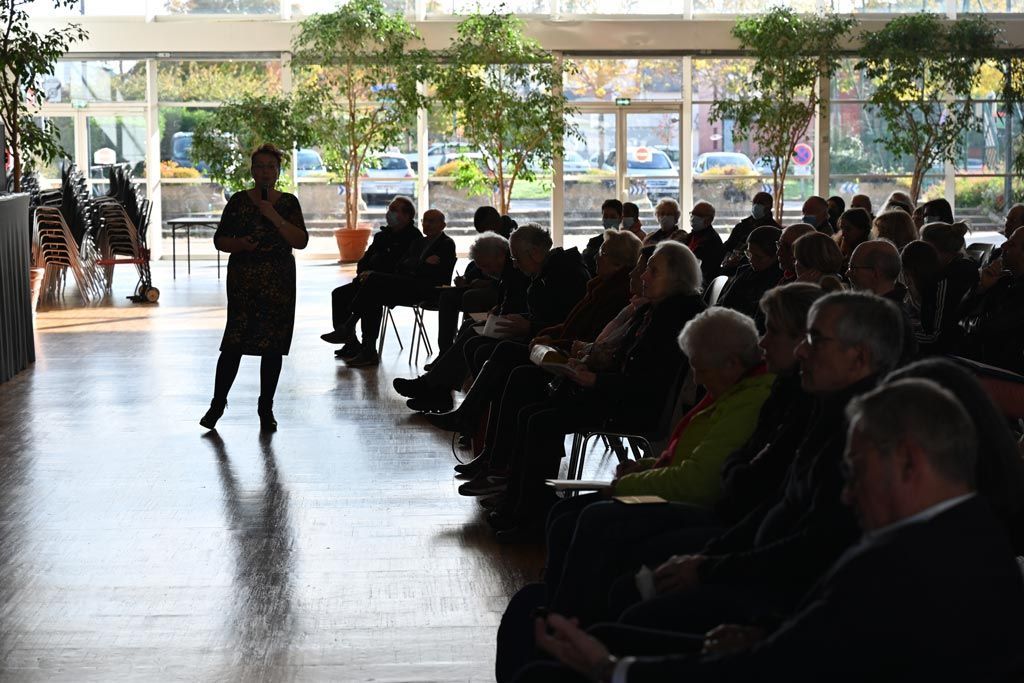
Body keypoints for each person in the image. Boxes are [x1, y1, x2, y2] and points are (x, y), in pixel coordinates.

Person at [525, 380, 1024, 683]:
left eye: (855, 472)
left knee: (545, 660)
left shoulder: (896, 564)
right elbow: (831, 642)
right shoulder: (974, 534)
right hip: (783, 637)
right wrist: (767, 634)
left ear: (910, 463)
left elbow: (774, 668)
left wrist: (610, 668)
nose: (848, 493)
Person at [607, 293, 905, 638]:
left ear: (859, 357)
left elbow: (812, 547)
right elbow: (771, 500)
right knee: (620, 563)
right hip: (753, 557)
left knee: (630, 599)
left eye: (814, 340)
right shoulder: (822, 409)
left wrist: (709, 568)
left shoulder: (862, 434)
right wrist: (708, 559)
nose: (801, 351)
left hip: (779, 594)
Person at [488, 241, 707, 540]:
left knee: (541, 421)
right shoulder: (655, 308)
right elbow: (626, 360)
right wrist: (588, 365)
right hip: (618, 393)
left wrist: (595, 380)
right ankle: (518, 504)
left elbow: (648, 384)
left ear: (677, 277)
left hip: (635, 407)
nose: (643, 276)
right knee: (531, 412)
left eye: (653, 271)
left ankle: (531, 517)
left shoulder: (677, 318)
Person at [423, 230, 640, 439]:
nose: (595, 257)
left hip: (573, 360)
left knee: (501, 354)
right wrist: (537, 329)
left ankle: (476, 424)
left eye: (602, 253)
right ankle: (477, 426)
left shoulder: (574, 276)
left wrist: (536, 330)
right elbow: (567, 323)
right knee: (479, 343)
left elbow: (586, 334)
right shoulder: (593, 284)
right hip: (556, 345)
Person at [393, 223, 589, 413]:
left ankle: (458, 404)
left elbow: (569, 323)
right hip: (538, 335)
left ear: (536, 253)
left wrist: (529, 326)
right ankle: (442, 392)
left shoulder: (565, 275)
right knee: (473, 334)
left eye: (516, 258)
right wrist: (521, 320)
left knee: (479, 344)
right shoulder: (546, 272)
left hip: (549, 342)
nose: (514, 264)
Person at [200, 143, 308, 431]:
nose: (265, 172)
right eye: (259, 166)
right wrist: (240, 244)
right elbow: (220, 240)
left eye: (270, 167)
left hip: (279, 280)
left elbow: (300, 240)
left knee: (273, 346)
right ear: (252, 170)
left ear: (278, 171)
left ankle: (266, 407)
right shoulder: (238, 201)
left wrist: (274, 217)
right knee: (234, 343)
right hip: (244, 280)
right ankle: (217, 404)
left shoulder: (288, 203)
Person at [329, 209, 458, 368]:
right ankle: (368, 348)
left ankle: (350, 327)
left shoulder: (446, 244)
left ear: (443, 225)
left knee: (374, 280)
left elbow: (435, 273)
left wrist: (416, 265)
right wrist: (422, 263)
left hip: (428, 290)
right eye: (425, 221)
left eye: (432, 221)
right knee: (373, 293)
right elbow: (402, 265)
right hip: (410, 284)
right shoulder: (418, 243)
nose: (427, 224)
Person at [323, 195, 421, 359]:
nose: (389, 213)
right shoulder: (382, 236)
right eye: (389, 209)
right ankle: (351, 342)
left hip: (397, 285)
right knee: (339, 294)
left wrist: (374, 272)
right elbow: (364, 260)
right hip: (369, 281)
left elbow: (401, 266)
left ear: (407, 216)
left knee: (373, 293)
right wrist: (363, 273)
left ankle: (368, 348)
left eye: (394, 210)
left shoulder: (414, 238)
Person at [435, 208, 508, 354]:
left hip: (498, 287)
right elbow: (477, 264)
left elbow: (511, 276)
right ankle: (445, 350)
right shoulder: (490, 238)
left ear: (495, 222)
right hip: (482, 285)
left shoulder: (509, 240)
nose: (483, 233)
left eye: (484, 229)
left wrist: (488, 283)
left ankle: (472, 343)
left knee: (471, 296)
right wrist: (466, 278)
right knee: (447, 296)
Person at [957, 225, 1024, 374]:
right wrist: (981, 288)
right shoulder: (1003, 280)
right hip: (985, 363)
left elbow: (985, 328)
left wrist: (965, 322)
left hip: (1008, 374)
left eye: (1012, 244)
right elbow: (959, 312)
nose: (1003, 246)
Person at [846, 240, 918, 362]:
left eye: (853, 268)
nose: (847, 273)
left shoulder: (885, 321)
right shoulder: (898, 310)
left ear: (875, 273)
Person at [917, 221, 979, 354]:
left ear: (934, 250)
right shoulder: (963, 267)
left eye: (923, 248)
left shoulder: (946, 280)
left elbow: (936, 336)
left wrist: (902, 335)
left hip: (947, 352)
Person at [716, 225, 783, 324]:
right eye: (749, 254)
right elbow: (724, 303)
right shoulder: (745, 271)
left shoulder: (779, 280)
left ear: (776, 256)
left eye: (759, 257)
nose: (751, 260)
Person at [720, 192, 779, 275]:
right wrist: (728, 259)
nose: (756, 205)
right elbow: (727, 246)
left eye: (760, 203)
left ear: (769, 206)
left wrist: (741, 260)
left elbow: (770, 258)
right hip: (731, 269)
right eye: (754, 202)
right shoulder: (741, 226)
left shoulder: (774, 230)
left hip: (757, 273)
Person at [683, 201, 723, 286]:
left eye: (699, 215)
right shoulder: (690, 236)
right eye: (692, 214)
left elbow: (707, 272)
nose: (693, 217)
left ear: (710, 219)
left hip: (699, 284)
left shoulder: (713, 241)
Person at [583, 199, 624, 276]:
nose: (608, 220)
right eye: (605, 216)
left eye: (612, 217)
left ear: (620, 219)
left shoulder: (627, 243)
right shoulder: (594, 242)